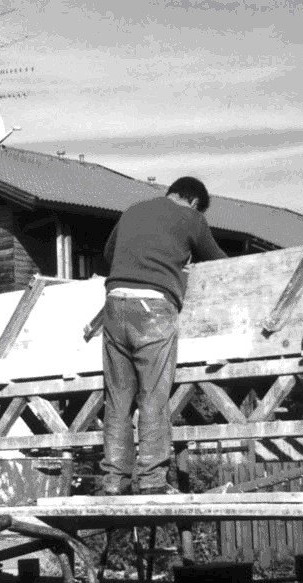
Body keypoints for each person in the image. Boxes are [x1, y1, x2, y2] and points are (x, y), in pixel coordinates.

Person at [100, 176, 227, 495]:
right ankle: (153, 481)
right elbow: (219, 262)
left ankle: (115, 480)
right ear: (195, 201)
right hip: (153, 307)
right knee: (153, 396)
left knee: (117, 399)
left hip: (114, 305)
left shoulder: (133, 210)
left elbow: (107, 254)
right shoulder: (192, 218)